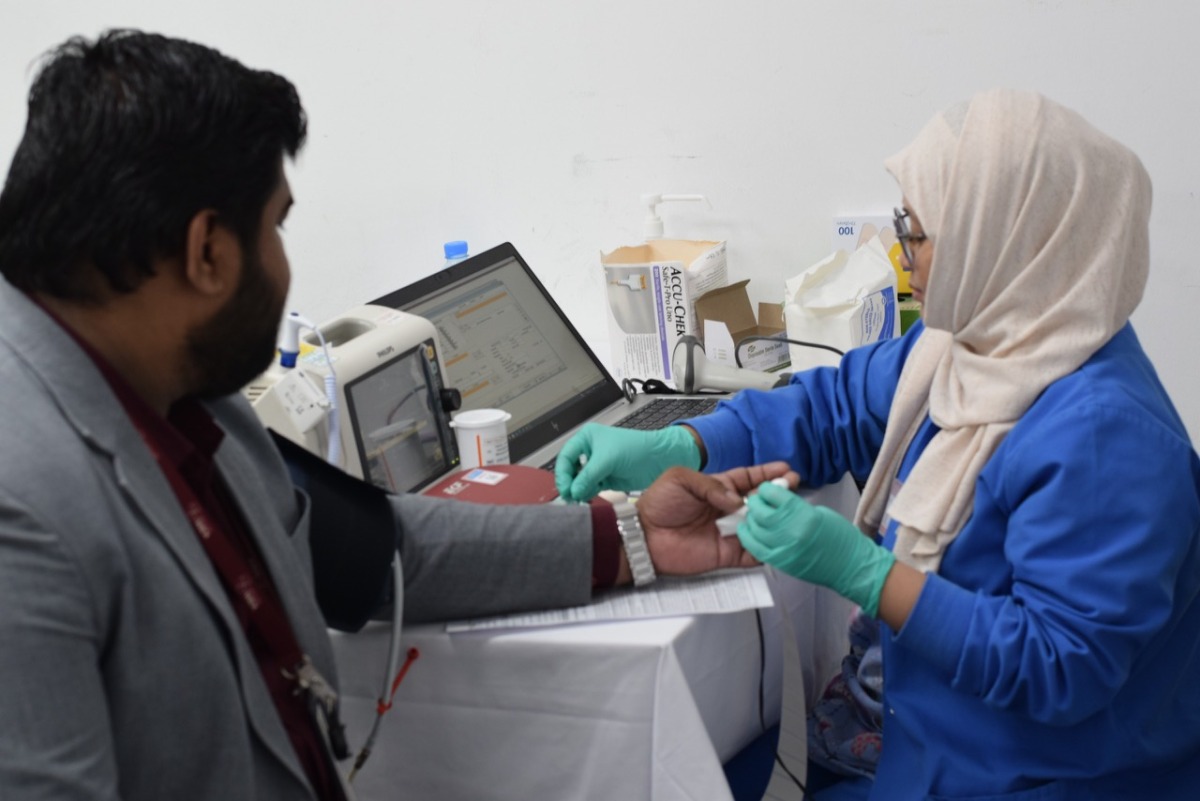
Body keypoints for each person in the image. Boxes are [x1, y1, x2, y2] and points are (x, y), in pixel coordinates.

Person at [0, 30, 787, 801]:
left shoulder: (186, 397)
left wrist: (632, 540)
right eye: (275, 225)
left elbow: (377, 549)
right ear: (207, 251)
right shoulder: (23, 508)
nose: (282, 260)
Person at [556, 89, 1200, 799]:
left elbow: (1056, 667)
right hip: (927, 732)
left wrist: (868, 574)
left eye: (917, 233)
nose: (901, 252)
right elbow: (832, 409)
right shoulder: (971, 344)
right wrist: (682, 443)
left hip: (1038, 775)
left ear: (1005, 239)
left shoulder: (1109, 438)